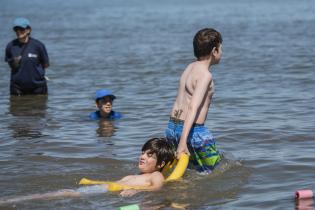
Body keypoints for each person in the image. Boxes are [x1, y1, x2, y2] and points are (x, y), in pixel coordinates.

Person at [0, 138, 175, 204]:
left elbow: (157, 188)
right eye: (142, 152)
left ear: (160, 164)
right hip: (105, 190)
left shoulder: (156, 175)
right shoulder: (134, 175)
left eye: (149, 155)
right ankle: (13, 200)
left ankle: (12, 201)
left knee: (67, 193)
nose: (142, 156)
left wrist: (135, 189)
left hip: (107, 193)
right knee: (66, 193)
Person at [165, 28, 223, 174]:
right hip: (193, 131)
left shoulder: (189, 67)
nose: (222, 52)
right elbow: (193, 107)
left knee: (187, 172)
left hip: (172, 127)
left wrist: (178, 137)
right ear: (214, 51)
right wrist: (184, 141)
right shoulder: (205, 75)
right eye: (221, 48)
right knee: (215, 172)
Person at [5, 17, 50, 95]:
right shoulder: (10, 46)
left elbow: (46, 64)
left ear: (28, 30)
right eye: (16, 29)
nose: (18, 32)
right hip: (17, 88)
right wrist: (14, 62)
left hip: (38, 87)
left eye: (21, 29)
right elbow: (9, 63)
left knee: (39, 106)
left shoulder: (38, 45)